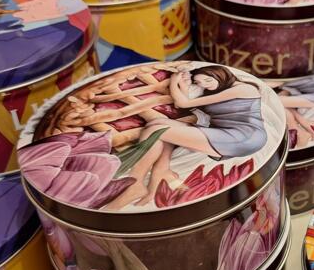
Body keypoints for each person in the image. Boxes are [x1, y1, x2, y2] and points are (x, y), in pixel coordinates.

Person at [61, 65, 267, 209]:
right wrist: (183, 84)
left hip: (245, 137)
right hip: (227, 135)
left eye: (208, 79)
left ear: (219, 74)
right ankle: (159, 174)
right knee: (159, 126)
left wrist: (175, 82)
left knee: (155, 130)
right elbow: (187, 100)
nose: (205, 84)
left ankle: (135, 182)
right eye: (200, 82)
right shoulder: (212, 92)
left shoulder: (243, 88)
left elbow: (183, 104)